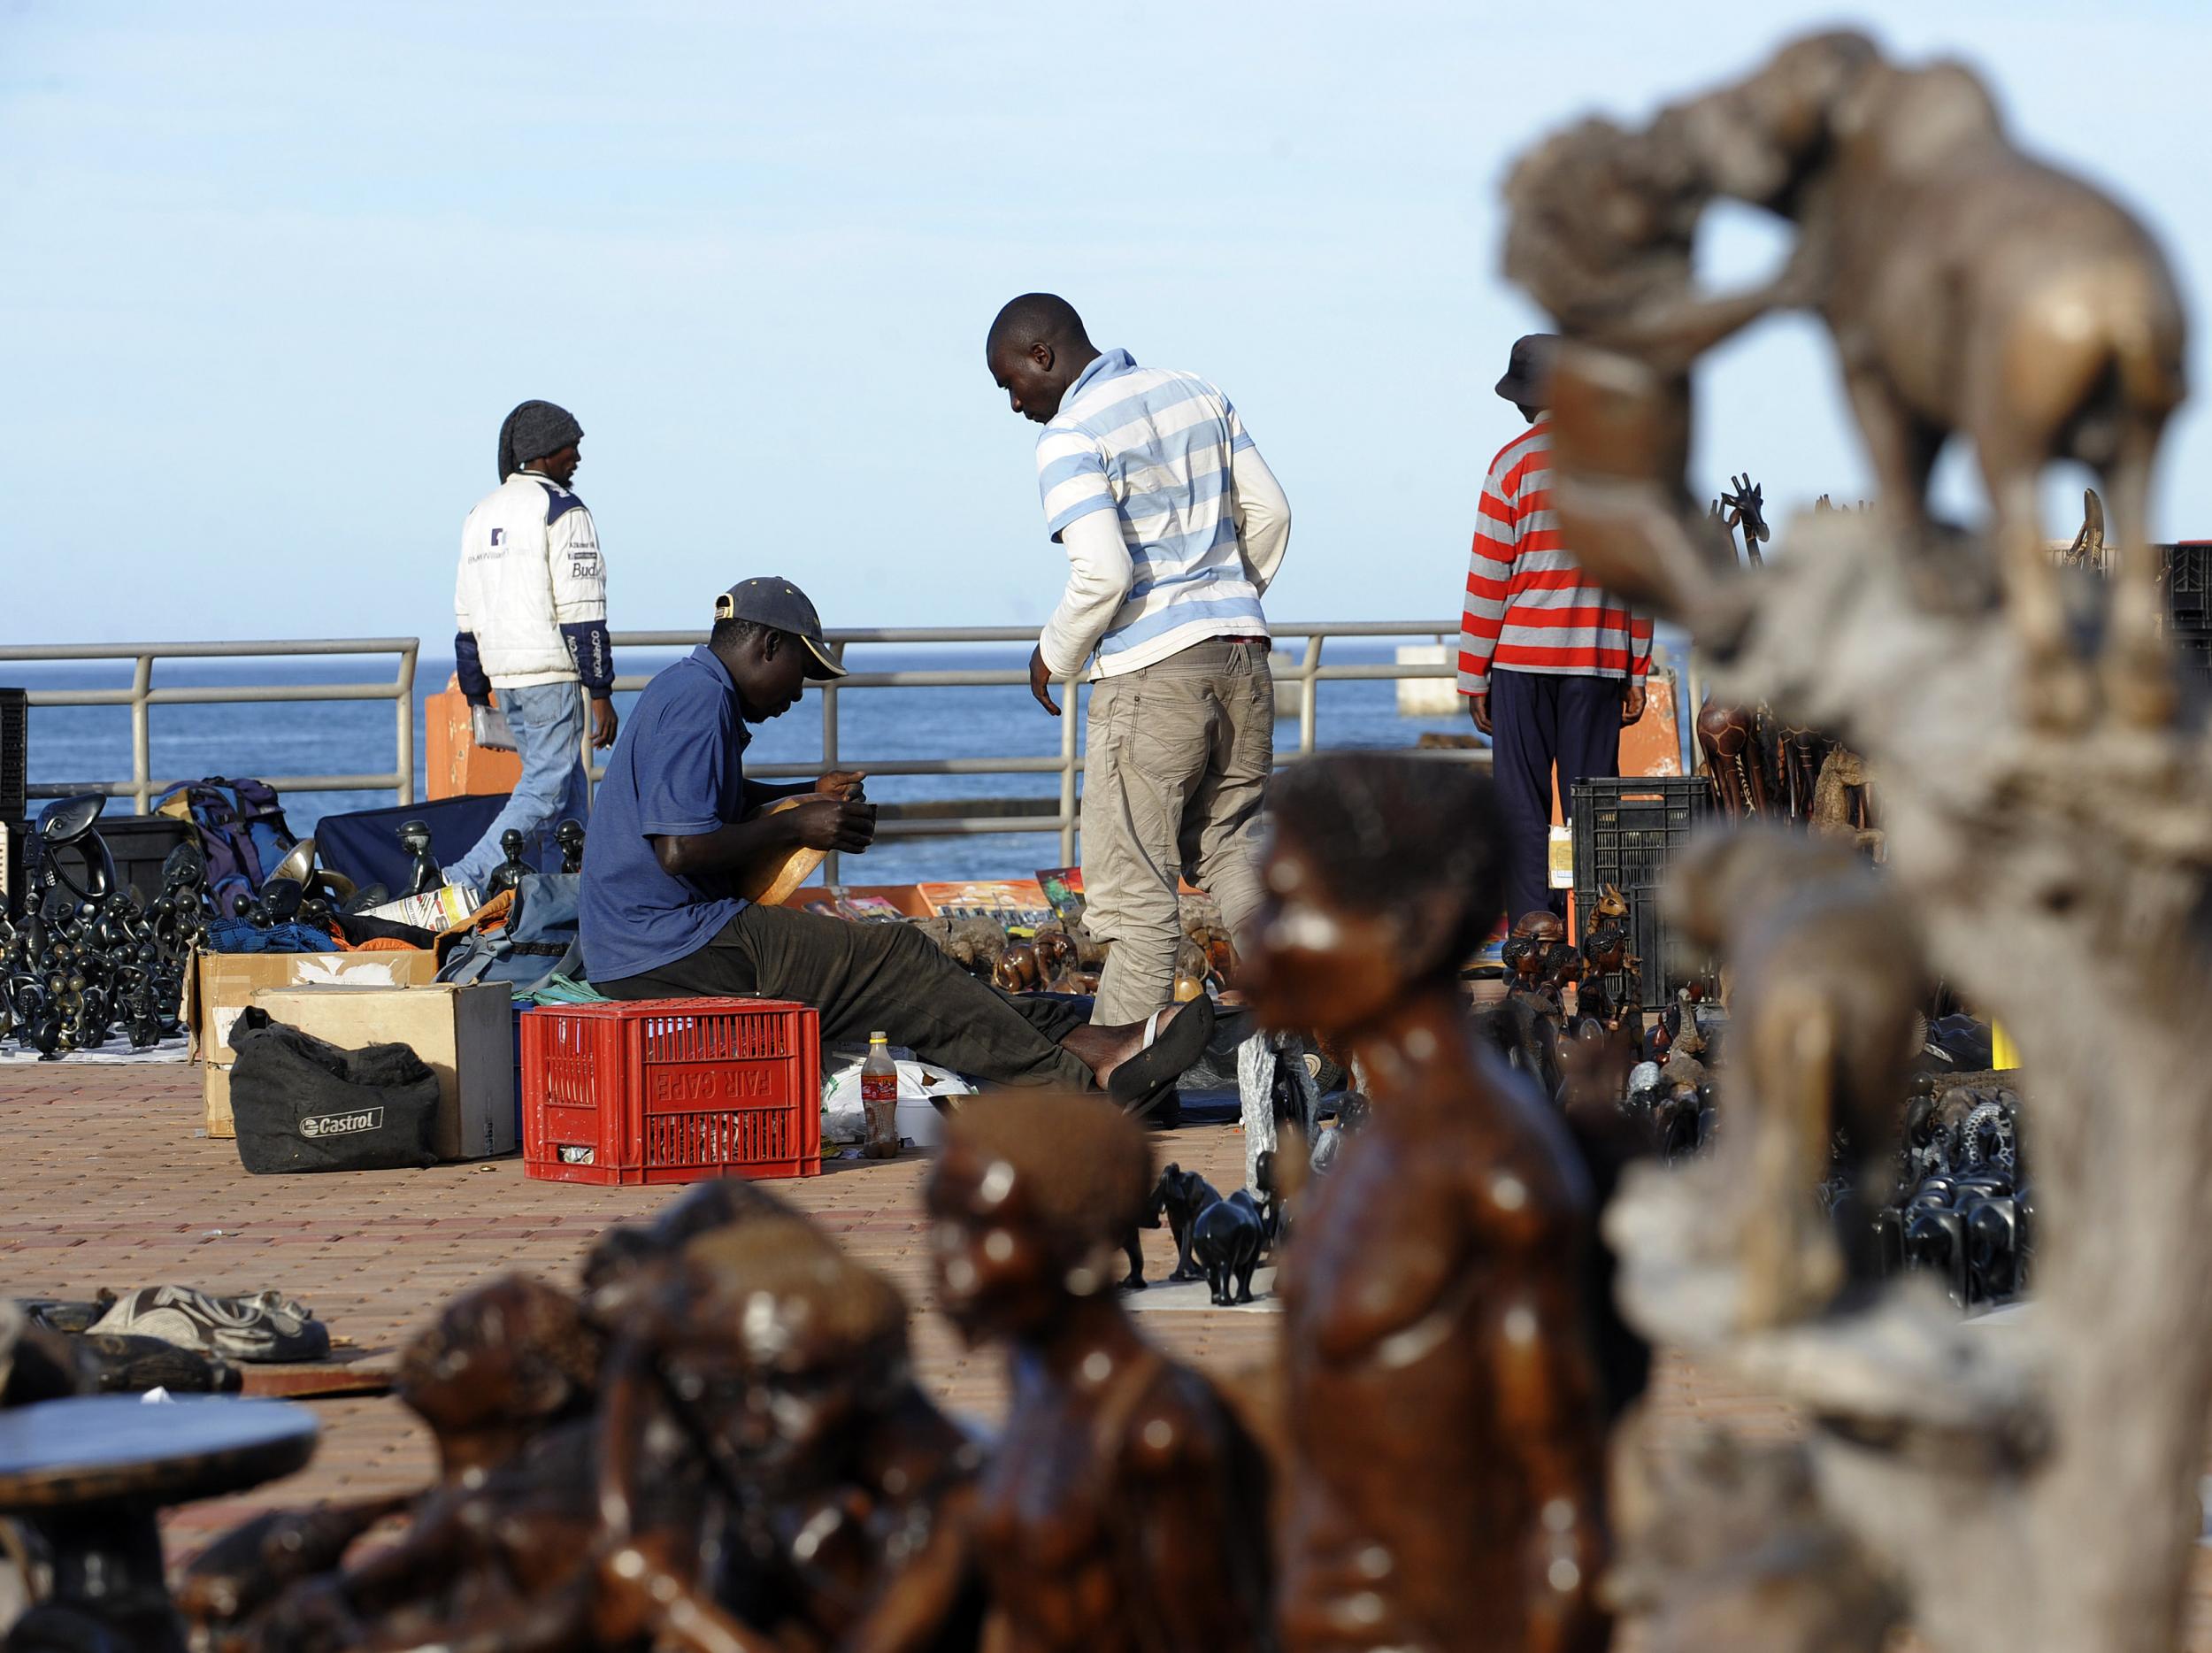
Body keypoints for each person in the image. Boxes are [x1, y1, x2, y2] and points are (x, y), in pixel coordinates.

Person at [578, 576, 1213, 1112]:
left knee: (916, 977)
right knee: (898, 960)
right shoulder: (699, 699)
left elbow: (711, 800)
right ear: (768, 645)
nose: (801, 694)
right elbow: (679, 851)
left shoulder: (689, 687)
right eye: (803, 671)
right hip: (669, 945)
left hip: (653, 941)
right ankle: (1087, 1086)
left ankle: (1098, 1043)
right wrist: (799, 826)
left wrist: (807, 791)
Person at [986, 293, 1293, 1027]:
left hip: (1152, 676)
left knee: (1136, 899)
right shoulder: (1198, 391)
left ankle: (1120, 1085)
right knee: (1232, 849)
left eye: (1011, 383)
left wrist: (1052, 654)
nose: (1014, 403)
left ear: (1042, 355)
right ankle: (1324, 1025)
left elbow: (1104, 574)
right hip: (1243, 656)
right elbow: (1274, 512)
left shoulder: (1069, 435)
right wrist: (1226, 601)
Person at [1457, 334, 1653, 924]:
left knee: (1522, 804)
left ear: (1521, 403)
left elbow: (1489, 580)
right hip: (1595, 664)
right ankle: (1604, 936)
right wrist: (1635, 665)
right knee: (1595, 806)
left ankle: (1532, 934)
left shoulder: (1510, 466)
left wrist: (1473, 677)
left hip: (1519, 664)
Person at [449, 399, 618, 896]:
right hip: (550, 672)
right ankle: (463, 882)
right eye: (573, 446)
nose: (578, 458)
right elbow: (583, 610)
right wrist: (601, 692)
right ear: (546, 450)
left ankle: (573, 898)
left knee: (565, 798)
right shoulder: (562, 510)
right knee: (546, 787)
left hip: (506, 677)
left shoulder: (480, 514)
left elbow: (466, 617)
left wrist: (478, 694)